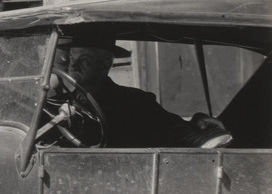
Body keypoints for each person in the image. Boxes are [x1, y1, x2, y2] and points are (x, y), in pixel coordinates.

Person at [63, 35, 231, 149]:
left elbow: (172, 129)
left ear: (105, 65)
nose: (74, 65)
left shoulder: (133, 102)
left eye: (83, 60)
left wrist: (198, 126)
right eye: (72, 58)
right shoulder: (59, 100)